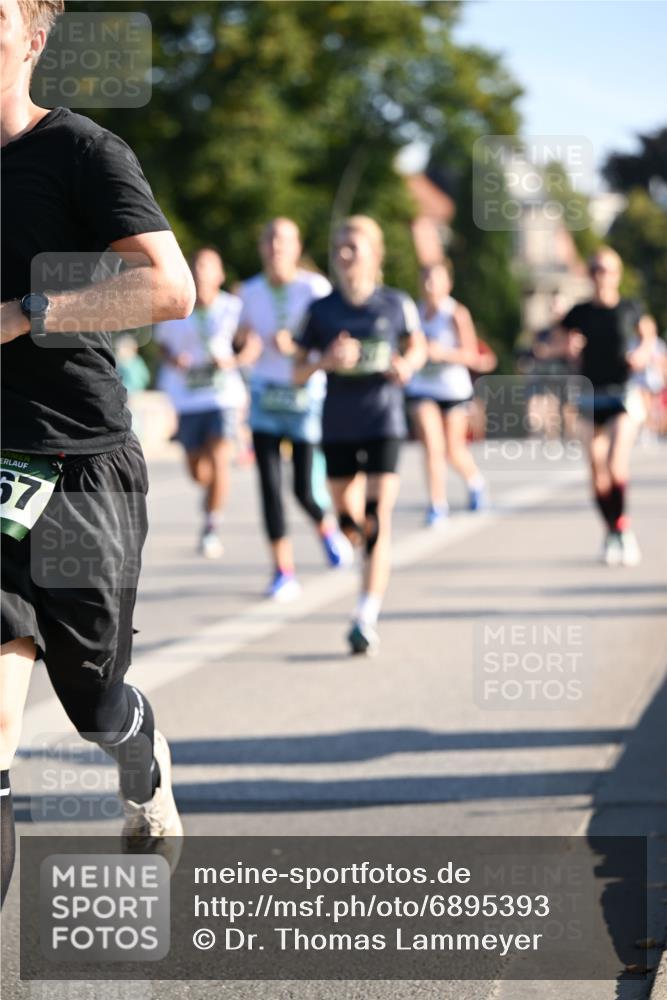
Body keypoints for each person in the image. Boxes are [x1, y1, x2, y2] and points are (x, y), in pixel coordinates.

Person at [0, 0, 194, 904]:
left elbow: (169, 286)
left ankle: (138, 744)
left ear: (33, 41)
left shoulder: (82, 153)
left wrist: (26, 315)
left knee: (93, 704)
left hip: (79, 461)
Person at [294, 215, 425, 655]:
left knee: (377, 517)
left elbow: (417, 343)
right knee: (348, 518)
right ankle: (349, 537)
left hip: (384, 422)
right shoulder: (321, 311)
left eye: (353, 247)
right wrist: (326, 360)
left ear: (374, 254)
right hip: (338, 424)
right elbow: (296, 372)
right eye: (339, 248)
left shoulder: (395, 304)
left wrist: (408, 365)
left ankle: (365, 614)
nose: (344, 255)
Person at [237, 218, 353, 601]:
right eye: (269, 239)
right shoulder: (249, 292)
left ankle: (326, 529)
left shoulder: (314, 289)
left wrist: (298, 348)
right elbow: (241, 337)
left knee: (303, 489)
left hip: (304, 397)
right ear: (261, 247)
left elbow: (332, 343)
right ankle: (283, 571)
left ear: (297, 247)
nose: (275, 247)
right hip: (266, 396)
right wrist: (248, 344)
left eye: (283, 240)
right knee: (269, 488)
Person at [553, 246, 656, 566]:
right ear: (589, 274)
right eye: (596, 269)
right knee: (597, 472)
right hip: (588, 395)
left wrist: (642, 353)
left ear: (617, 274)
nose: (601, 276)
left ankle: (622, 528)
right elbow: (551, 341)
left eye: (607, 270)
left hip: (621, 393)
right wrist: (567, 346)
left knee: (615, 463)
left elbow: (648, 334)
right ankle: (613, 532)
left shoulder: (629, 307)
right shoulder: (579, 312)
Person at [156, 248, 251, 558]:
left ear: (220, 274)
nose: (201, 271)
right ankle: (211, 494)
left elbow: (253, 341)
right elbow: (162, 346)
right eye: (196, 266)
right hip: (188, 400)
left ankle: (211, 526)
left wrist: (235, 360)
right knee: (198, 472)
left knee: (220, 458)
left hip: (223, 396)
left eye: (208, 266)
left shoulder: (233, 307)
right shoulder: (178, 308)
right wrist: (175, 360)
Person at [405, 260, 488, 526]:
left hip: (452, 389)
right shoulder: (413, 313)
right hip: (422, 389)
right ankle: (437, 504)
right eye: (426, 279)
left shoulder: (455, 313)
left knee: (452, 449)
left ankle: (475, 481)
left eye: (435, 279)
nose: (430, 284)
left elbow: (473, 355)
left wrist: (443, 353)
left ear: (447, 284)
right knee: (432, 446)